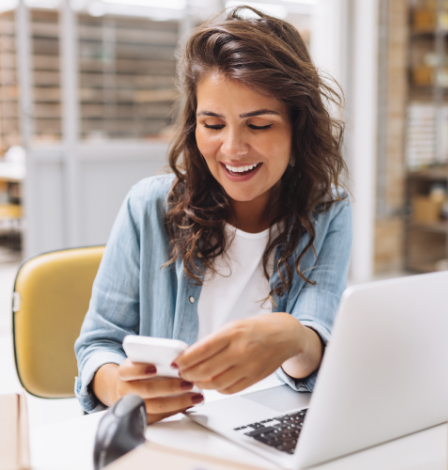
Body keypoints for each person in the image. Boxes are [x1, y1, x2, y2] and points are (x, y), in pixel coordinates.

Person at [75, 6, 352, 424]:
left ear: (299, 127)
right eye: (213, 124)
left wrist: (296, 338)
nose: (232, 149)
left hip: (271, 429)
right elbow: (98, 344)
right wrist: (119, 387)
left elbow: (316, 340)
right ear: (194, 125)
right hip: (173, 433)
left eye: (259, 125)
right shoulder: (148, 206)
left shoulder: (328, 209)